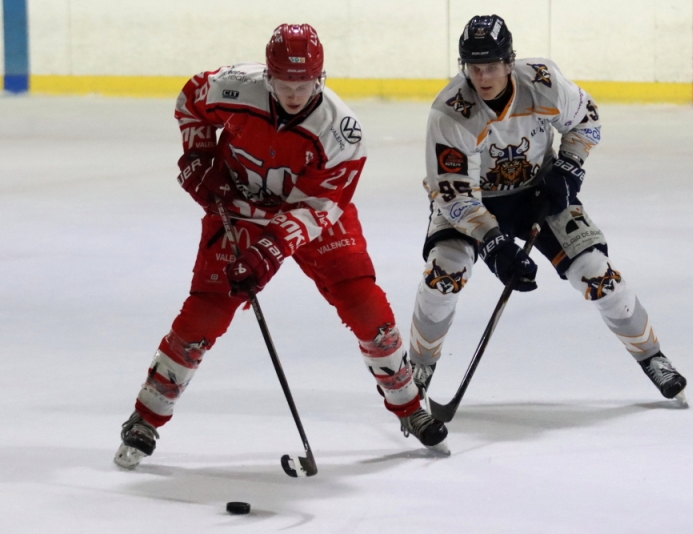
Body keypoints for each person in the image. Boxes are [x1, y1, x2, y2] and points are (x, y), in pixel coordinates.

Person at [114, 23, 448, 469]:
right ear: (268, 76)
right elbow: (191, 98)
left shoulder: (342, 132)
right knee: (205, 313)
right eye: (285, 83)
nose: (294, 93)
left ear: (321, 77)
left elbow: (322, 206)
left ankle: (410, 407)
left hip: (315, 215)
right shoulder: (233, 87)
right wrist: (197, 155)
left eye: (305, 83)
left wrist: (270, 250)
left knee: (365, 306)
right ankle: (146, 418)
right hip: (237, 208)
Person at [408, 15, 687, 404]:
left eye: (491, 66)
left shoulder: (543, 82)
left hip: (537, 194)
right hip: (471, 204)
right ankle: (418, 367)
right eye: (474, 67)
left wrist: (568, 168)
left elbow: (586, 118)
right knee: (445, 273)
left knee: (596, 272)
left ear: (509, 62)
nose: (483, 77)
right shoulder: (450, 111)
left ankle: (653, 357)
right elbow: (453, 195)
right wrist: (494, 244)